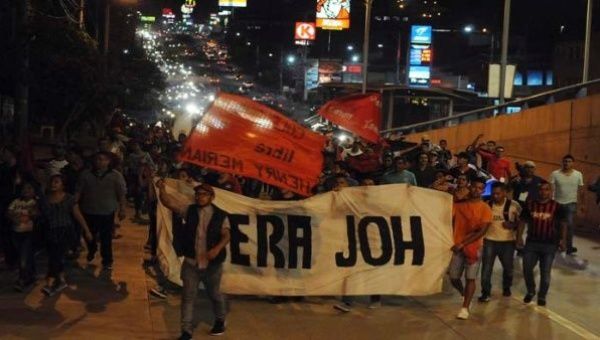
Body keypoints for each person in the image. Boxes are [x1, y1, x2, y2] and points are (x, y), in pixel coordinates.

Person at [157, 181, 231, 338]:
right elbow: (168, 203)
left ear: (211, 197)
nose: (199, 197)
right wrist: (162, 189)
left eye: (203, 194)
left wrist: (217, 249)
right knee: (188, 297)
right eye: (197, 194)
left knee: (215, 294)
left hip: (212, 265)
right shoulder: (189, 210)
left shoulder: (220, 215)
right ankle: (186, 331)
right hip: (191, 263)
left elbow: (226, 235)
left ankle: (220, 320)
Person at [40, 175, 93, 296]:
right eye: (52, 182)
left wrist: (87, 230)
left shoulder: (69, 198)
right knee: (54, 256)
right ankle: (60, 280)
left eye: (56, 182)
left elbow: (77, 214)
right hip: (50, 231)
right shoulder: (44, 199)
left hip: (65, 230)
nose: (53, 184)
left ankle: (52, 282)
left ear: (62, 185)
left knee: (56, 256)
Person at [517, 181, 567, 306]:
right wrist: (518, 238)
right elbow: (522, 222)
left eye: (546, 189)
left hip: (550, 244)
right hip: (532, 243)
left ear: (551, 192)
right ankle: (531, 291)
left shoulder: (558, 207)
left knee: (545, 273)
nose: (543, 192)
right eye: (541, 189)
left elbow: (563, 224)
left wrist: (563, 240)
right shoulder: (530, 205)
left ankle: (542, 296)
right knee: (527, 269)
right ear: (538, 191)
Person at [449, 177, 492, 320]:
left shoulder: (485, 208)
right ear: (469, 187)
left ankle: (465, 308)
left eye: (480, 188)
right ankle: (463, 294)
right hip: (456, 246)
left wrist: (463, 244)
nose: (476, 190)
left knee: (470, 278)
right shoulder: (459, 205)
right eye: (474, 187)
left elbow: (482, 231)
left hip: (474, 247)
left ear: (483, 190)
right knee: (454, 277)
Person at [75, 152, 127, 270]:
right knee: (89, 235)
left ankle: (107, 260)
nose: (100, 162)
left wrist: (122, 209)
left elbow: (122, 194)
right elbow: (79, 190)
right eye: (98, 159)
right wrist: (74, 203)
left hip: (107, 211)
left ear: (109, 161)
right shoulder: (85, 175)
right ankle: (92, 249)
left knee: (106, 237)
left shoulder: (116, 176)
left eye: (103, 159)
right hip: (88, 210)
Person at [478, 182, 522, 302]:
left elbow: (521, 222)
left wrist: (512, 226)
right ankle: (485, 292)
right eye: (493, 193)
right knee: (486, 269)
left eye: (498, 193)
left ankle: (506, 287)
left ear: (504, 193)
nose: (495, 196)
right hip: (490, 240)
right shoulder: (487, 204)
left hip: (507, 242)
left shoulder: (514, 205)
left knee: (508, 269)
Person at [549, 154, 584, 255]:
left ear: (573, 163)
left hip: (571, 203)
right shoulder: (555, 174)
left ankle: (569, 246)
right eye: (565, 161)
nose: (567, 163)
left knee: (569, 225)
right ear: (562, 162)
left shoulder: (578, 174)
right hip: (557, 202)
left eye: (569, 161)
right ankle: (555, 244)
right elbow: (551, 188)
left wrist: (582, 205)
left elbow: (581, 191)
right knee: (556, 225)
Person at [7, 182, 39, 291]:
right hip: (16, 232)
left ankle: (23, 279)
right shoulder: (16, 201)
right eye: (24, 189)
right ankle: (32, 274)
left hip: (28, 233)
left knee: (23, 258)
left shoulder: (34, 202)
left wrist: (28, 214)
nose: (26, 191)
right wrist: (14, 217)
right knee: (24, 255)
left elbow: (34, 214)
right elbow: (9, 212)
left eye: (29, 188)